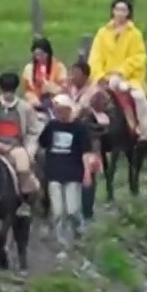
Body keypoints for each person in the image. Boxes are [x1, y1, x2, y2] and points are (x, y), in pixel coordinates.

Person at [0, 72, 42, 198]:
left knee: (23, 168)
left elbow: (35, 130)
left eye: (10, 91)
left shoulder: (25, 108)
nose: (8, 94)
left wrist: (30, 149)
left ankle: (24, 198)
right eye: (5, 91)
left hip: (15, 147)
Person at [37, 93, 91, 245]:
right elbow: (42, 144)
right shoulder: (52, 126)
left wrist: (86, 172)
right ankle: (62, 241)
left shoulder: (79, 128)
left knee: (72, 209)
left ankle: (79, 227)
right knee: (58, 211)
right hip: (54, 172)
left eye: (62, 110)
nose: (59, 114)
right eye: (57, 110)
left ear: (69, 110)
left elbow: (86, 152)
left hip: (73, 173)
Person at [87, 0, 147, 97]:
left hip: (128, 79)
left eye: (123, 10)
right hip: (104, 79)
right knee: (88, 98)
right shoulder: (102, 33)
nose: (120, 13)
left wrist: (121, 72)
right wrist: (100, 76)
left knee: (138, 97)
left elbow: (139, 58)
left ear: (128, 13)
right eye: (117, 9)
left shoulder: (135, 34)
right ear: (113, 11)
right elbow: (95, 57)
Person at [21, 37, 69, 115]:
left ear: (48, 53)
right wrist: (33, 98)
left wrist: (51, 88)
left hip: (54, 98)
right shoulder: (29, 68)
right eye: (36, 55)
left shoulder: (59, 66)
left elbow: (64, 88)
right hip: (36, 99)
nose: (38, 57)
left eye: (41, 54)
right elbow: (27, 90)